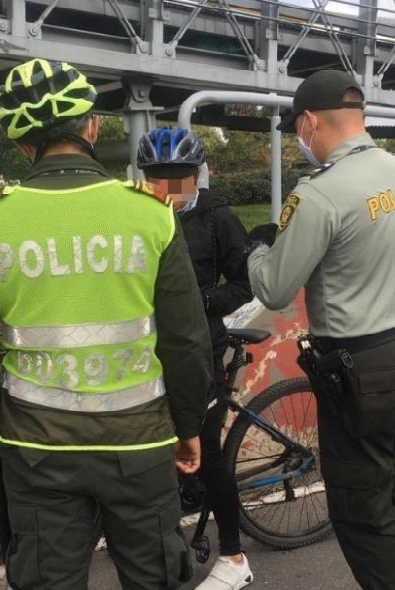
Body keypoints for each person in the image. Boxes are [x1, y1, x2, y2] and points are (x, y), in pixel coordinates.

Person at [0, 59, 213, 590]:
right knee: (156, 578)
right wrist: (188, 425)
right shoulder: (151, 214)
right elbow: (187, 341)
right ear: (92, 127)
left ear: (19, 144)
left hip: (36, 449)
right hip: (140, 440)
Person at [246, 69, 395, 590]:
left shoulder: (320, 195)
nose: (300, 140)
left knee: (360, 505)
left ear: (310, 121)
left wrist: (257, 250)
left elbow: (275, 289)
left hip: (364, 367)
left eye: (297, 130)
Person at [136, 127, 255, 590]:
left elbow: (244, 285)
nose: (165, 188)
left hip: (203, 349)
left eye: (178, 178)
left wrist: (195, 300)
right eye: (156, 177)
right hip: (150, 350)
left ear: (196, 176)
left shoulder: (217, 218)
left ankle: (234, 556)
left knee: (205, 452)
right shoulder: (138, 215)